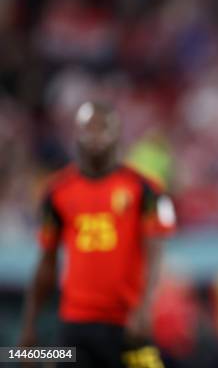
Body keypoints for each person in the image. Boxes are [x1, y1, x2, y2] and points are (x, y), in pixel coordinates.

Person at [20, 101, 176, 368]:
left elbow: (155, 253)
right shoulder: (57, 192)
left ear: (117, 133)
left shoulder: (145, 189)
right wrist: (29, 326)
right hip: (75, 325)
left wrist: (144, 309)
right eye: (87, 129)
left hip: (126, 324)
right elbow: (46, 262)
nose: (95, 136)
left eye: (102, 128)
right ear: (76, 133)